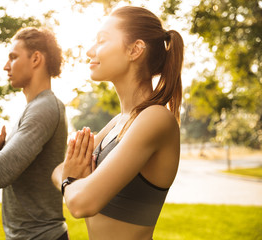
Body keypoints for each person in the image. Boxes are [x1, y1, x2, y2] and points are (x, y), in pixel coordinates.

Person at [52, 6, 184, 240]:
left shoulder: (155, 118)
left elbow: (81, 204)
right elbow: (58, 170)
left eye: (102, 40)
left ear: (135, 50)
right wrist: (73, 180)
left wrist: (71, 182)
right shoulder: (118, 122)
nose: (90, 51)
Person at [0, 27, 69, 240]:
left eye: (13, 57)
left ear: (36, 59)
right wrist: (0, 150)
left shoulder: (44, 108)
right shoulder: (33, 108)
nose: (6, 66)